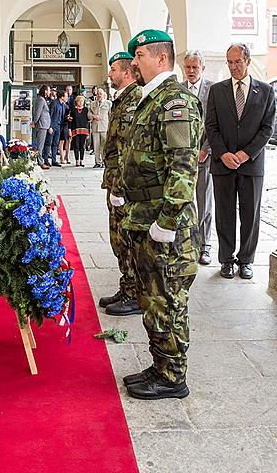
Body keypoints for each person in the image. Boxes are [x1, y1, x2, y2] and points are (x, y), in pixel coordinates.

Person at [115, 29, 202, 400]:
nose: (135, 62)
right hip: (146, 219)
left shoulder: (174, 102)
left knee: (167, 299)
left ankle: (172, 377)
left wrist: (166, 223)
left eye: (141, 56)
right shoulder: (154, 99)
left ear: (161, 59)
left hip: (168, 228)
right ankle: (161, 363)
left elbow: (183, 171)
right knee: (153, 299)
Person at [205, 43, 276, 280]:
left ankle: (246, 260)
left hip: (251, 164)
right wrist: (223, 153)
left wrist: (246, 154)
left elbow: (267, 128)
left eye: (237, 62)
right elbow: (211, 127)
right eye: (230, 62)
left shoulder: (266, 91)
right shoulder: (217, 90)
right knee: (224, 214)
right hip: (222, 163)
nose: (233, 67)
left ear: (247, 61)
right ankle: (226, 260)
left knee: (250, 214)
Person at [99, 52, 143, 316]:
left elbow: (130, 148)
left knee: (126, 238)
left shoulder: (134, 99)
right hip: (115, 180)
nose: (109, 73)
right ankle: (127, 286)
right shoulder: (122, 100)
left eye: (113, 69)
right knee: (118, 238)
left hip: (124, 184)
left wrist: (122, 187)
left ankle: (135, 294)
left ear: (126, 72)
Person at [182, 51, 214, 265]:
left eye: (195, 67)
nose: (191, 71)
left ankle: (205, 246)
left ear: (202, 68)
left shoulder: (213, 90)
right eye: (188, 67)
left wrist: (205, 149)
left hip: (205, 156)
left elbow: (216, 123)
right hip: (183, 158)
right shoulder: (179, 89)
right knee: (184, 202)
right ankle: (187, 243)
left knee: (204, 203)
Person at [88, 87, 112, 168]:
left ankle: (104, 161)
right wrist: (93, 116)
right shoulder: (93, 103)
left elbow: (111, 115)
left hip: (105, 127)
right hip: (95, 127)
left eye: (100, 94)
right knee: (96, 146)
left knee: (104, 146)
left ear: (104, 95)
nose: (99, 95)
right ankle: (98, 162)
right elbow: (88, 114)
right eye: (98, 94)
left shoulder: (108, 103)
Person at [43, 89, 67, 167]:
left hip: (59, 126)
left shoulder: (63, 104)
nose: (67, 97)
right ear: (62, 97)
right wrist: (49, 126)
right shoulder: (54, 103)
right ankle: (46, 160)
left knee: (55, 144)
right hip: (52, 126)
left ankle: (54, 160)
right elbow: (49, 115)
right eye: (66, 96)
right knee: (48, 143)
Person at [31, 84, 51, 169]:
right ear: (45, 91)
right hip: (41, 125)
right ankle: (40, 162)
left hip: (44, 125)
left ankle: (40, 161)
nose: (50, 92)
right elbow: (38, 112)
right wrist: (34, 122)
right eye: (49, 90)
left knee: (41, 145)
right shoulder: (41, 99)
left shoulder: (43, 99)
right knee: (40, 145)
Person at [69, 94, 89, 166]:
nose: (80, 102)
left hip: (84, 130)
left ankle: (82, 160)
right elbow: (70, 121)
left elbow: (88, 121)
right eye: (79, 101)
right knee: (76, 146)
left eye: (82, 101)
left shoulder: (86, 110)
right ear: (76, 102)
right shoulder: (73, 110)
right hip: (75, 130)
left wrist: (88, 132)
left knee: (82, 146)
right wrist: (69, 130)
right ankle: (77, 160)